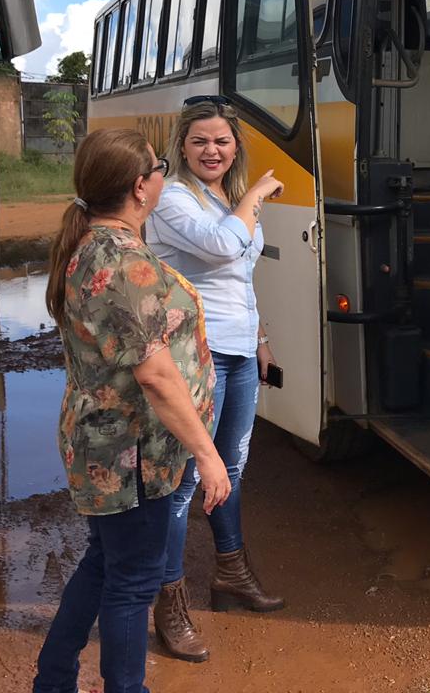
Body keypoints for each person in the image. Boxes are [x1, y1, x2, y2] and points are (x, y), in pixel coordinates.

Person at [33, 128, 232, 693]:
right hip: (132, 456)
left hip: (110, 447)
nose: (164, 175)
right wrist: (209, 455)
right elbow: (157, 376)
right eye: (161, 167)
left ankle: (53, 680)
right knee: (133, 583)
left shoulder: (94, 245)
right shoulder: (125, 262)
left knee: (106, 565)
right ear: (141, 187)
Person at [145, 96, 286, 662]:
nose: (212, 150)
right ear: (183, 146)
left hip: (237, 347)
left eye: (222, 141)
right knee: (185, 481)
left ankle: (231, 572)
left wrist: (261, 338)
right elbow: (225, 244)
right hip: (193, 353)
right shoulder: (172, 198)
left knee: (230, 469)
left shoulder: (228, 198)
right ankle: (169, 604)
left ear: (235, 147)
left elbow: (242, 277)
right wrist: (254, 196)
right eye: (201, 140)